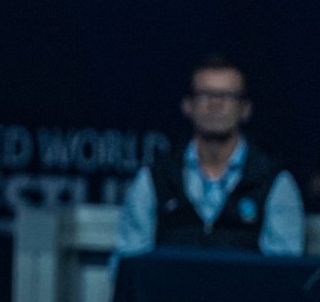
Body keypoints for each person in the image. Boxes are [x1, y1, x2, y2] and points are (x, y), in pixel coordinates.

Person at [115, 55, 304, 259]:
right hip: (172, 282)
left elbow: (283, 269)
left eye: (227, 96)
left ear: (245, 109)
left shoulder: (273, 181)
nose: (215, 104)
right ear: (187, 105)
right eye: (205, 95)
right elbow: (130, 262)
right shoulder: (156, 178)